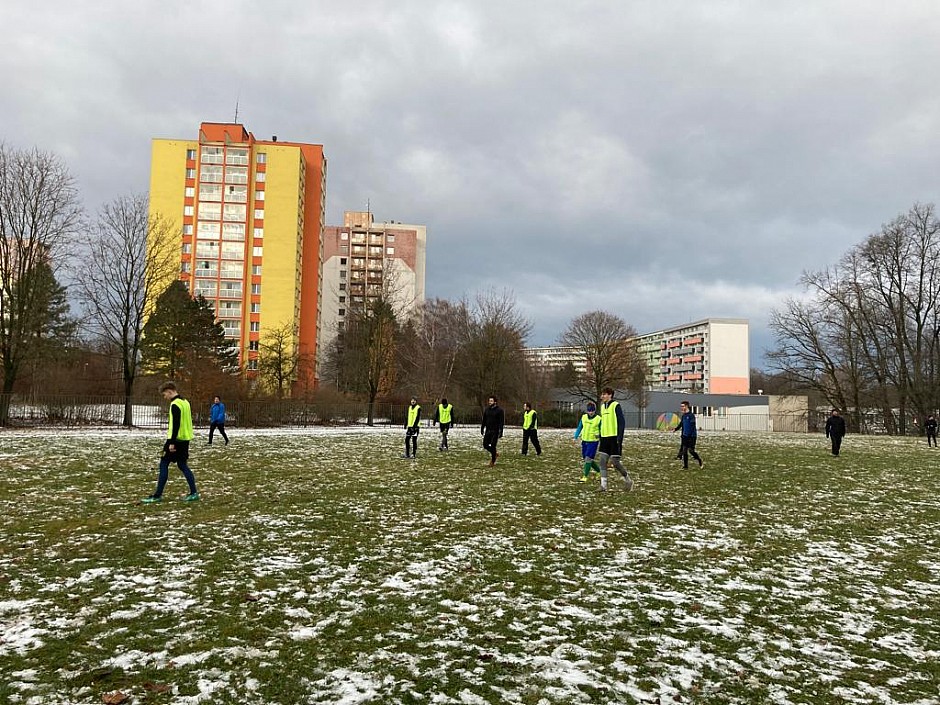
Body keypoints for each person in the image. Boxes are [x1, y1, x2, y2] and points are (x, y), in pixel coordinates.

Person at [143, 382, 199, 503]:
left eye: (165, 395)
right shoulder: (185, 402)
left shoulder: (175, 404)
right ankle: (194, 493)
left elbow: (176, 425)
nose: (165, 397)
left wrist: (171, 443)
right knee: (182, 465)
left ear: (169, 391)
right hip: (185, 439)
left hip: (176, 440)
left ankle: (157, 495)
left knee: (163, 463)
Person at [598, 387, 634, 491]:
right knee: (602, 461)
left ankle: (628, 480)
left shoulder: (616, 406)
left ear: (610, 395)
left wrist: (620, 437)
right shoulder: (602, 407)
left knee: (615, 463)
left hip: (614, 438)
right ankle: (603, 486)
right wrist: (600, 435)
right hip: (604, 438)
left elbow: (621, 422)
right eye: (602, 394)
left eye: (604, 394)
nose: (602, 396)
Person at [574, 401, 602, 482]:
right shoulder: (584, 417)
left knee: (588, 458)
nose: (590, 412)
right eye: (589, 411)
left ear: (595, 410)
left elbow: (602, 430)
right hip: (585, 440)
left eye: (592, 411)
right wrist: (576, 435)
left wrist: (599, 435)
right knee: (586, 458)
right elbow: (580, 427)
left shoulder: (598, 419)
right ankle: (598, 471)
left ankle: (585, 476)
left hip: (593, 442)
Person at [672, 400, 704, 469]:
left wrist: (690, 435)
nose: (681, 407)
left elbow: (692, 426)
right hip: (685, 436)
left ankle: (699, 460)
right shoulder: (684, 416)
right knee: (684, 451)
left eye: (682, 406)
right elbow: (681, 424)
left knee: (691, 451)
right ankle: (685, 466)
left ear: (686, 406)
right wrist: (676, 429)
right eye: (681, 406)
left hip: (692, 436)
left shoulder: (691, 415)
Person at [481, 395, 504, 466]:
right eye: (489, 401)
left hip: (495, 430)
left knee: (493, 445)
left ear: (495, 402)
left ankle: (492, 461)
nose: (489, 402)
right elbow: (484, 420)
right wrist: (482, 428)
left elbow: (501, 422)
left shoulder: (499, 410)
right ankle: (495, 453)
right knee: (485, 445)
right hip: (488, 430)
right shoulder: (487, 410)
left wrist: (501, 431)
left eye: (491, 401)